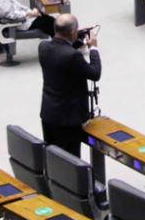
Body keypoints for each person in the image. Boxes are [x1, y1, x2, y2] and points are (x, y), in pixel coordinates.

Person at [38, 14, 101, 157]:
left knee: (53, 158)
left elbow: (61, 48)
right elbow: (94, 73)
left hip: (49, 114)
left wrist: (75, 40)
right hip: (68, 119)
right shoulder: (73, 56)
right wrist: (93, 49)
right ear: (73, 32)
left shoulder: (43, 47)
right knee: (70, 161)